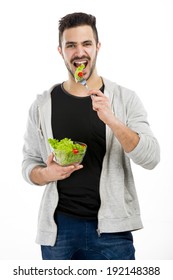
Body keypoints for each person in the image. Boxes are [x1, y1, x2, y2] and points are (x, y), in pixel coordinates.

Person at [22, 12, 160, 260]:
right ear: (60, 51)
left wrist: (112, 120)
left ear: (97, 47)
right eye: (71, 45)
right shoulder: (43, 104)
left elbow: (151, 157)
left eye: (86, 44)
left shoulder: (124, 99)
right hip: (58, 230)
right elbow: (29, 163)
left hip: (113, 232)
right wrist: (46, 173)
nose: (79, 52)